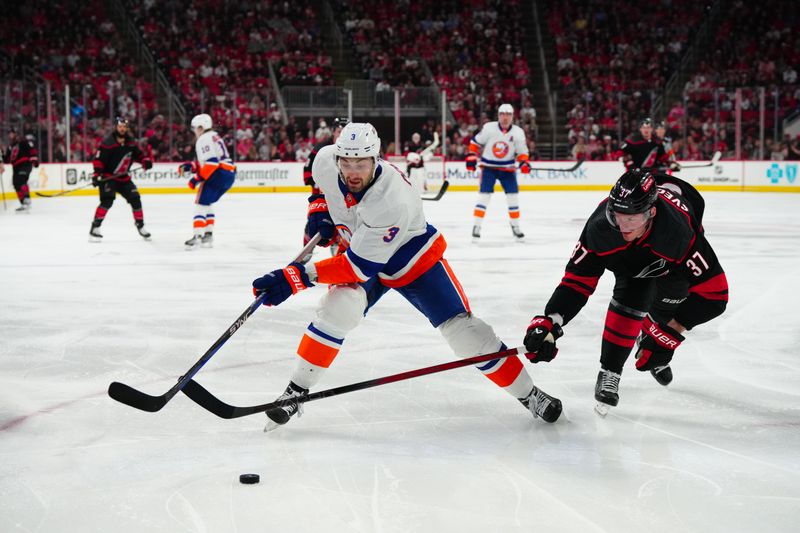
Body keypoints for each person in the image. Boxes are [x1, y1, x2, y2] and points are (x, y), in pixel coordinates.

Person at [251, 122, 562, 431]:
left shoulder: (391, 198)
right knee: (338, 308)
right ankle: (296, 391)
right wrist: (318, 209)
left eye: (361, 163)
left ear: (376, 159)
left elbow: (358, 268)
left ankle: (529, 395)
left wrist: (294, 277)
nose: (353, 171)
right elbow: (318, 182)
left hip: (412, 260)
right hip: (361, 248)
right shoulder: (325, 160)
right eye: (346, 162)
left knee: (467, 335)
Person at [521, 169, 728, 415]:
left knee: (669, 303)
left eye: (632, 219)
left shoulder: (678, 234)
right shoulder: (601, 227)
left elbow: (715, 295)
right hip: (632, 261)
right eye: (617, 215)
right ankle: (610, 370)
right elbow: (577, 282)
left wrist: (667, 337)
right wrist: (551, 320)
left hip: (672, 265)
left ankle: (650, 336)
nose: (622, 226)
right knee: (632, 294)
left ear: (651, 213)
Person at [466, 103, 530, 241]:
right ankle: (476, 226)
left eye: (508, 114)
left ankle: (515, 226)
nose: (505, 117)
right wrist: (471, 156)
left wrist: (524, 162)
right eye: (502, 114)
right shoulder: (489, 128)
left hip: (508, 169)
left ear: (512, 116)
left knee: (513, 198)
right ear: (498, 115)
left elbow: (522, 152)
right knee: (484, 197)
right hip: (489, 168)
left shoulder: (518, 132)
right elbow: (475, 143)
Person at [89, 117, 153, 241]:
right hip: (109, 178)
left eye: (124, 126)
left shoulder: (131, 143)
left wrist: (145, 161)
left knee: (136, 199)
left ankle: (140, 225)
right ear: (116, 127)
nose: (122, 129)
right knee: (107, 201)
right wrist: (96, 175)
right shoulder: (108, 143)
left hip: (124, 178)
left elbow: (139, 155)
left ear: (127, 128)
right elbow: (98, 160)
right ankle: (95, 227)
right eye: (120, 126)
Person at [179, 114, 236, 249]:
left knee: (200, 203)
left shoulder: (203, 139)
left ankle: (197, 236)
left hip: (218, 173)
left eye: (195, 128)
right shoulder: (214, 136)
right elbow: (210, 161)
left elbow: (211, 163)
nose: (194, 131)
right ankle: (208, 234)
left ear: (201, 127)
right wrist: (191, 166)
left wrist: (196, 179)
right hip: (229, 174)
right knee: (207, 202)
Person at [300, 117, 348, 262]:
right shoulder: (320, 149)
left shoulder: (352, 149)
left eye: (345, 132)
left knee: (343, 225)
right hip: (322, 198)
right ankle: (306, 251)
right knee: (314, 224)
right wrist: (318, 183)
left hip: (344, 199)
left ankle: (339, 252)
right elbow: (308, 172)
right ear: (333, 132)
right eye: (339, 131)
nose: (342, 135)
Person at [0, 129, 39, 212]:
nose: (10, 136)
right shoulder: (10, 146)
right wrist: (2, 154)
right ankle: (23, 203)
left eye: (11, 134)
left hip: (25, 163)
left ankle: (27, 199)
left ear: (15, 134)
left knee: (21, 179)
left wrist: (34, 159)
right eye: (9, 134)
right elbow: (7, 159)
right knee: (16, 183)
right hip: (15, 167)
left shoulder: (23, 141)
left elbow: (31, 149)